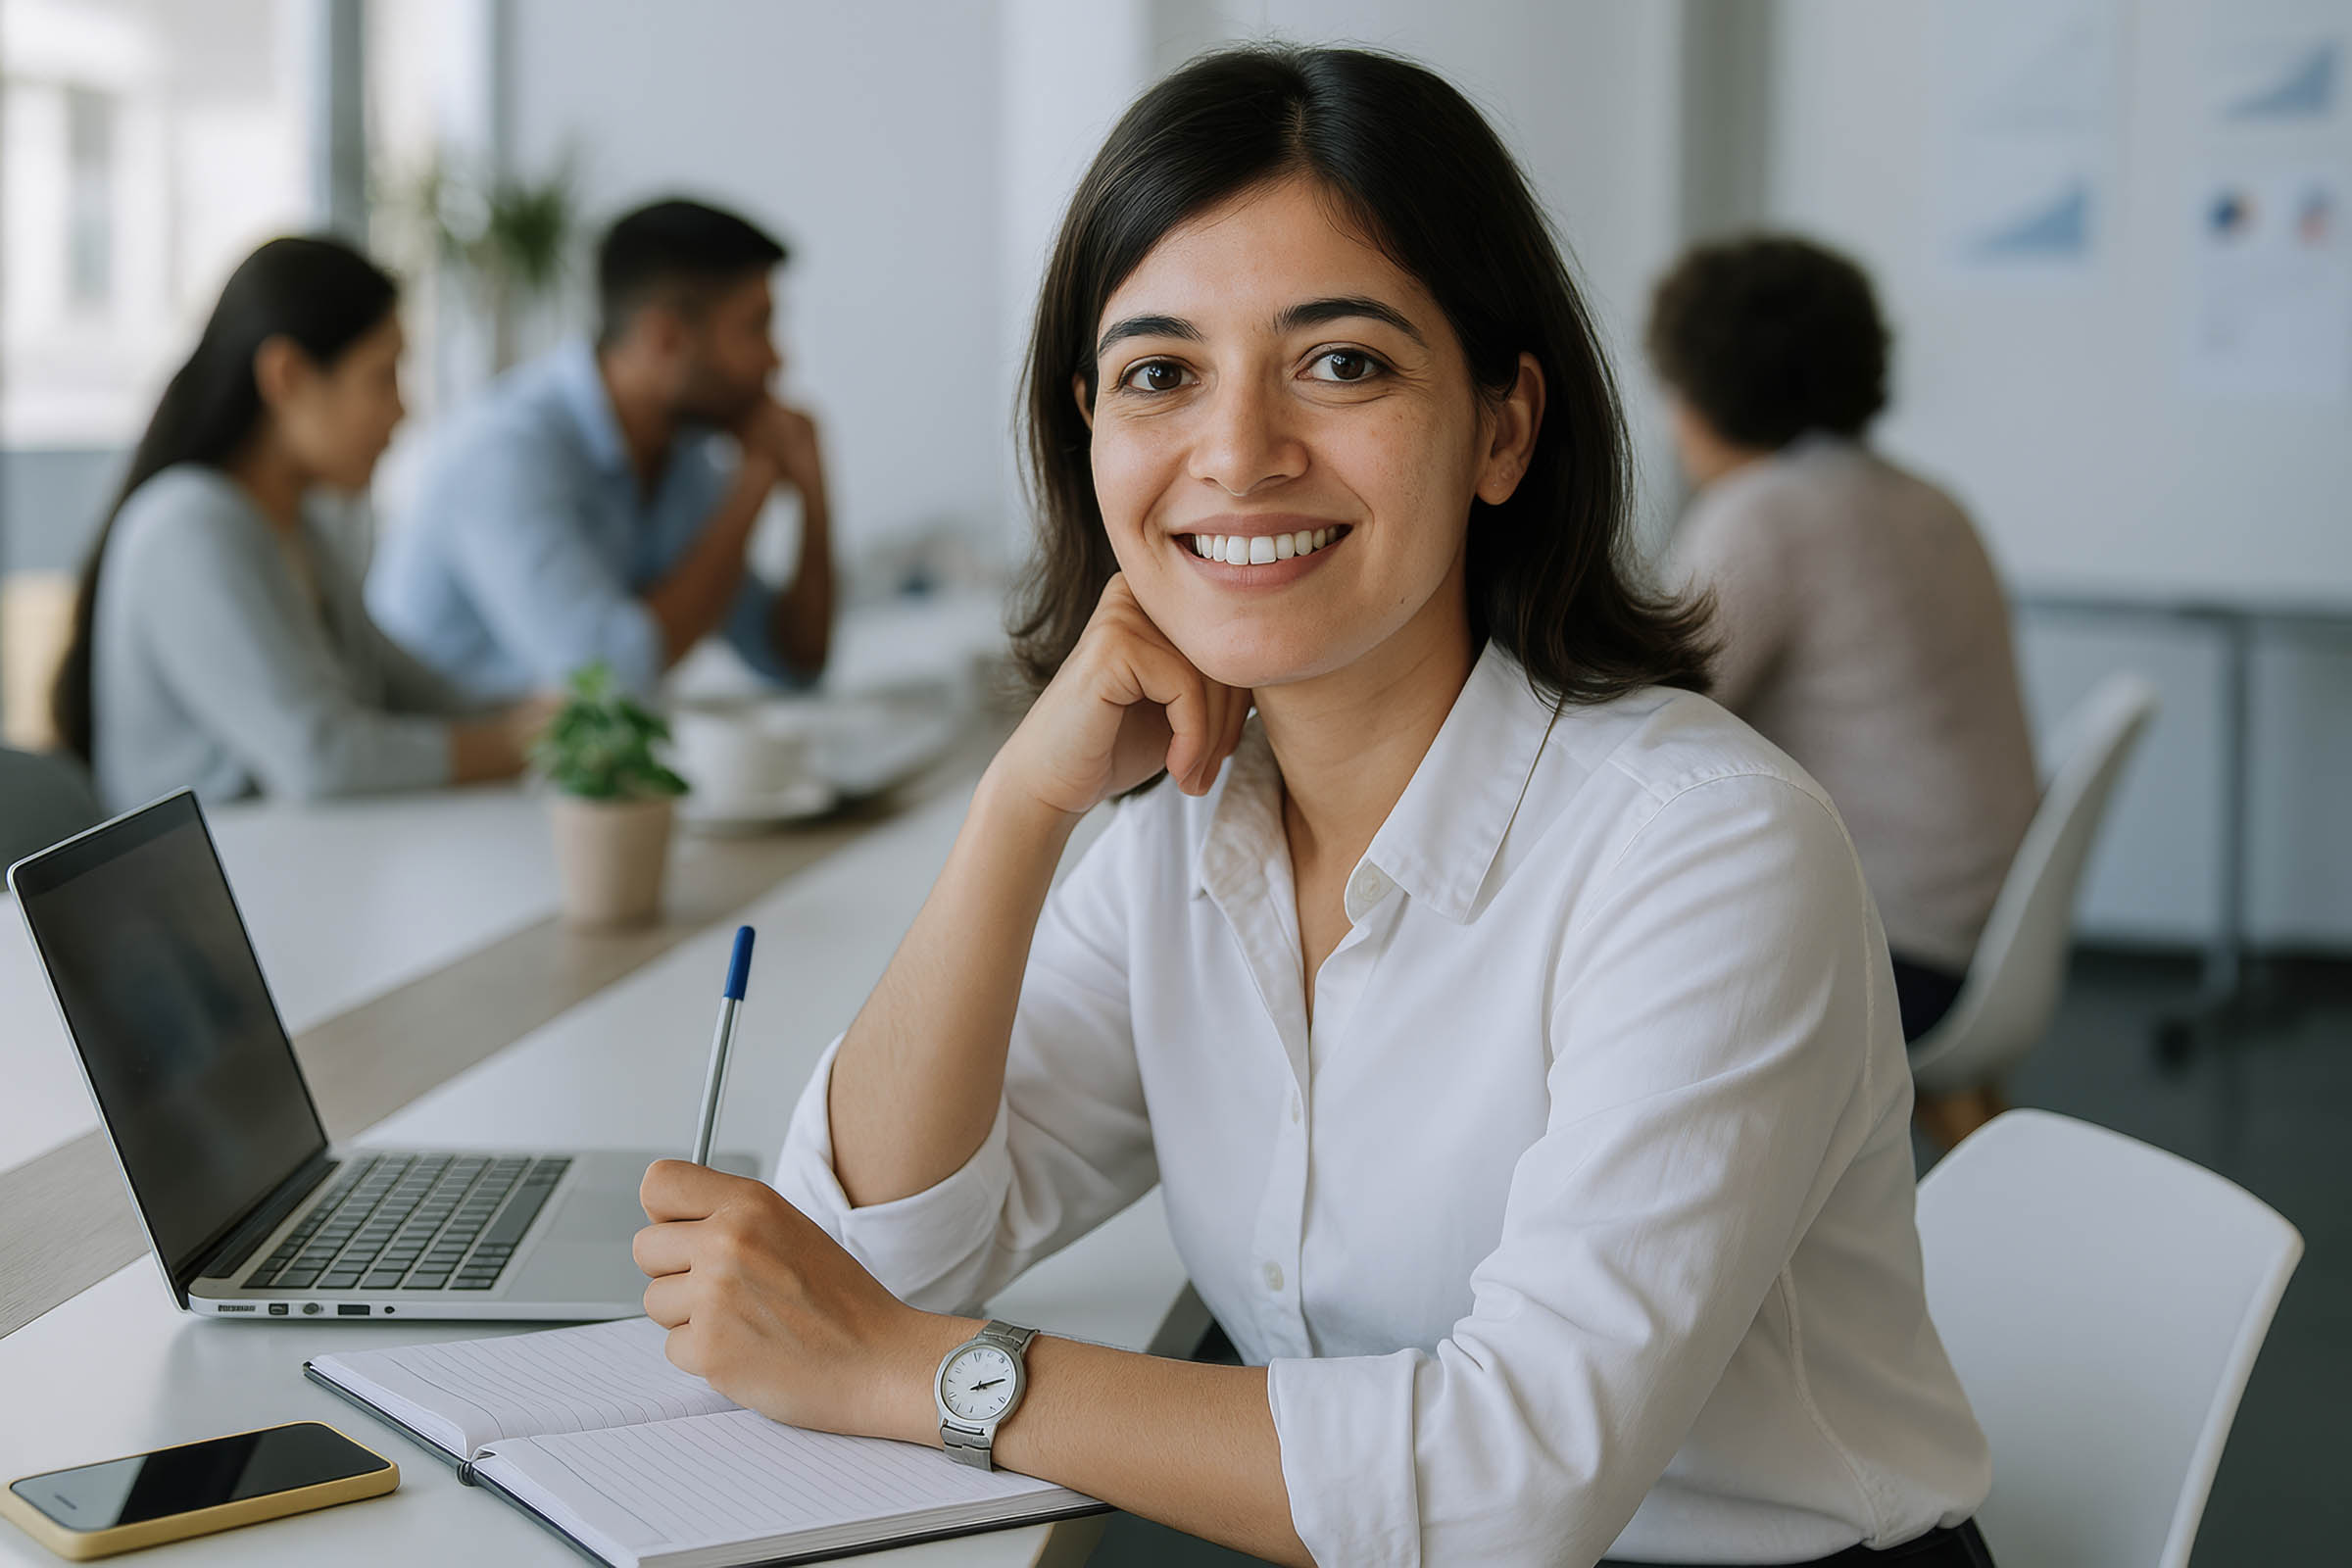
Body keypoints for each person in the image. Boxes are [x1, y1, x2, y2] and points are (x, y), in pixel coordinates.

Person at [628, 46, 1994, 1568]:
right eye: (1160, 374)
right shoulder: (1181, 832)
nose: (1237, 454)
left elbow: (1509, 1489)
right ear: (1091, 436)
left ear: (1502, 428)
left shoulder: (1702, 846)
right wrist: (1022, 803)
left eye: (1341, 362)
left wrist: (915, 1376)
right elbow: (878, 1239)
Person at [1648, 235, 2038, 1056]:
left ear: (1711, 389)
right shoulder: (1929, 500)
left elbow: (1650, 712)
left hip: (1896, 950)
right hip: (1986, 925)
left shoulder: (1768, 512)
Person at [51, 236, 547, 813]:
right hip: (226, 890)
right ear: (286, 375)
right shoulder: (187, 525)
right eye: (383, 376)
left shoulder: (296, 526)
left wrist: (553, 714)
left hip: (307, 869)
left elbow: (419, 693)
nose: (403, 410)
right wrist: (519, 741)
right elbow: (323, 758)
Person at [368, 199, 833, 703]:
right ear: (666, 339)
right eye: (757, 326)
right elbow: (608, 678)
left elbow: (793, 662)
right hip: (442, 770)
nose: (778, 358)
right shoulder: (506, 452)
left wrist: (814, 497)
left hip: (541, 769)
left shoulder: (684, 459)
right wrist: (753, 487)